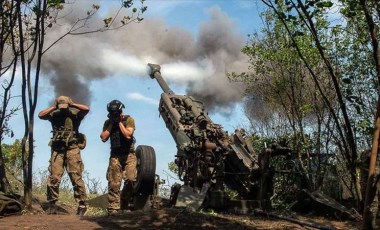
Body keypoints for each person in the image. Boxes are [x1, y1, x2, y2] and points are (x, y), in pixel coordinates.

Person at [38, 95, 89, 216]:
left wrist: (73, 104)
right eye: (60, 107)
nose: (63, 109)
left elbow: (86, 109)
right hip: (57, 149)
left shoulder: (75, 114)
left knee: (76, 177)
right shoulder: (54, 114)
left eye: (64, 106)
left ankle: (82, 205)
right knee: (54, 177)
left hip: (72, 148)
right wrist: (53, 106)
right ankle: (52, 204)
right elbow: (40, 115)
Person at [100, 99, 137, 215]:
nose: (114, 115)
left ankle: (124, 203)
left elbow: (127, 135)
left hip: (129, 155)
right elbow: (103, 137)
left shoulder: (129, 120)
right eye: (112, 114)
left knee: (131, 179)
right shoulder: (108, 122)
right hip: (115, 155)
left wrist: (120, 122)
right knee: (114, 182)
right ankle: (113, 209)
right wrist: (112, 123)